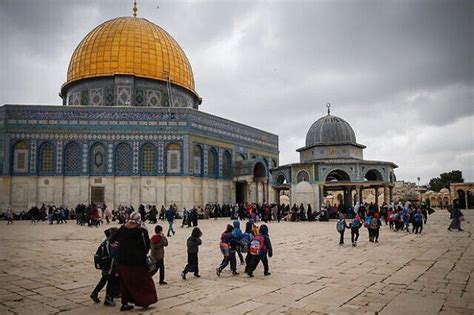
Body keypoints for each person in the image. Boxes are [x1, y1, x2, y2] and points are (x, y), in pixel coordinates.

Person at [109, 212, 157, 311]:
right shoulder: (141, 231)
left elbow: (112, 239)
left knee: (125, 283)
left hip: (122, 262)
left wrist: (121, 247)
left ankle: (125, 303)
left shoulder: (122, 228)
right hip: (137, 262)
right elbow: (146, 246)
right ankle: (144, 301)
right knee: (144, 282)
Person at [91, 227, 119, 306]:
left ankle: (95, 293)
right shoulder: (112, 242)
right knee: (112, 281)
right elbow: (114, 255)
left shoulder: (105, 241)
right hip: (110, 264)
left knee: (104, 279)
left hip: (104, 263)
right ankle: (109, 298)